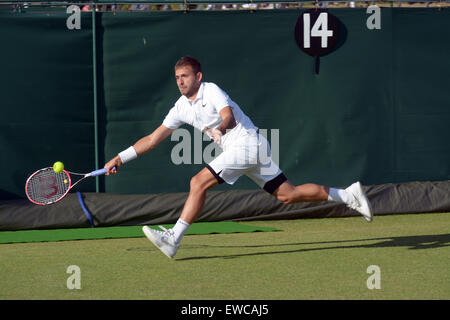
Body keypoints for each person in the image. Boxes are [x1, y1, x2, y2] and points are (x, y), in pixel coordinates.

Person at [104, 56, 373, 259]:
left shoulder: (211, 90)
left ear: (198, 76)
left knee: (197, 182)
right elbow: (152, 139)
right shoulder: (179, 108)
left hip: (246, 144)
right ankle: (349, 196)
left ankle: (174, 238)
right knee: (288, 195)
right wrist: (120, 158)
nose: (180, 81)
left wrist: (219, 129)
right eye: (177, 77)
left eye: (185, 76)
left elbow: (228, 116)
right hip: (250, 148)